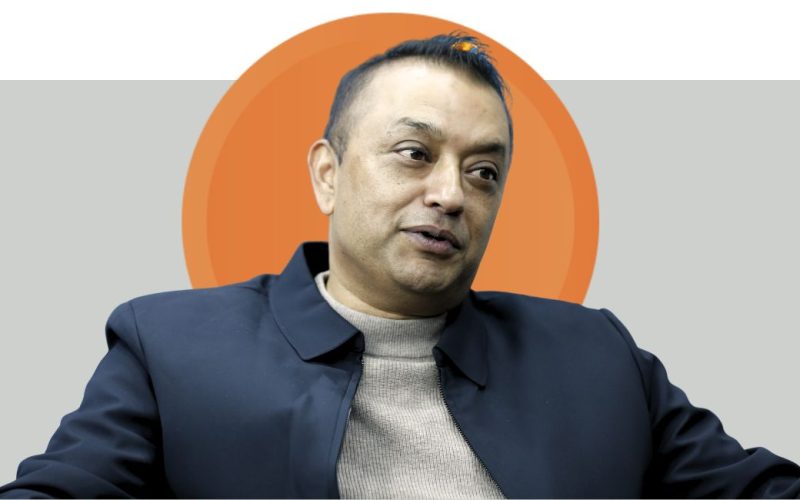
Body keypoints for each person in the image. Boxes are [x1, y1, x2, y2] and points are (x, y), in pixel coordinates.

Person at [1, 34, 798, 499]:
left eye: (483, 172)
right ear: (327, 174)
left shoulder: (596, 355)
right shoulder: (170, 347)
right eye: (415, 154)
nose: (451, 195)